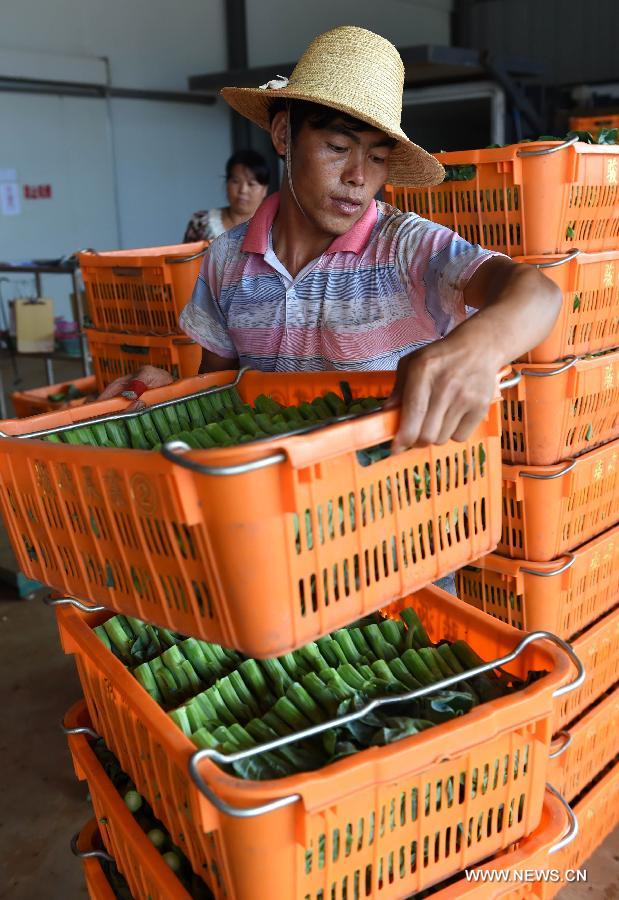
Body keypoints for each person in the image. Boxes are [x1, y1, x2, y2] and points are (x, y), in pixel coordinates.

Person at [100, 25, 561, 459]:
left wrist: (478, 349)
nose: (358, 177)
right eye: (338, 149)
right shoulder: (226, 259)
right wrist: (166, 393)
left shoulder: (405, 247)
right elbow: (218, 391)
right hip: (280, 513)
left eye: (377, 156)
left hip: (394, 507)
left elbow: (537, 293)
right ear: (284, 135)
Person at [182, 149, 269, 242]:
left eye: (251, 184)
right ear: (227, 183)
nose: (243, 190)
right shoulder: (200, 223)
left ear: (264, 190)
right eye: (235, 181)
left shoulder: (272, 228)